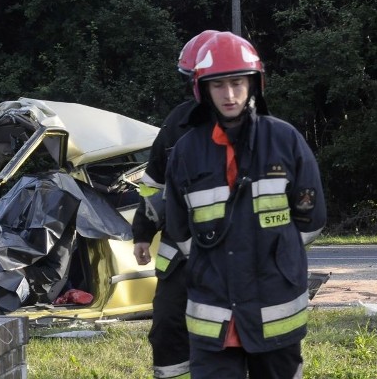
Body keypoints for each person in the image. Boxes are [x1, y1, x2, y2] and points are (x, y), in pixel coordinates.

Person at [165, 32, 326, 378]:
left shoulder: (285, 141)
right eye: (218, 85)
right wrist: (215, 265)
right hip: (214, 317)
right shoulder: (186, 152)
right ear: (202, 89)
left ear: (254, 84)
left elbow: (311, 219)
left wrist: (277, 255)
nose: (229, 94)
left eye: (237, 83)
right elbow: (178, 226)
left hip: (275, 311)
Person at [132, 30, 218, 379]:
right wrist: (142, 232)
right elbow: (152, 186)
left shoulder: (251, 128)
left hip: (228, 257)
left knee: (222, 335)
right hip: (178, 261)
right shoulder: (177, 123)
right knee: (167, 328)